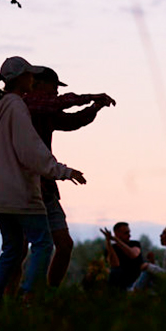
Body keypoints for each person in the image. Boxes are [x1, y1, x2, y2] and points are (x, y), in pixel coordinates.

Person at [0, 56, 86, 301]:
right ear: (20, 79)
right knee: (43, 244)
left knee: (12, 250)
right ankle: (31, 296)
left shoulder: (0, 109)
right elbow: (31, 151)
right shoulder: (17, 107)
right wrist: (63, 171)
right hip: (22, 194)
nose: (32, 79)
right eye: (29, 75)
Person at [22, 67, 114, 287]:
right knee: (20, 247)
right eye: (54, 85)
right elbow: (58, 104)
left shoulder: (45, 110)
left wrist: (95, 107)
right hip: (26, 187)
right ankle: (14, 295)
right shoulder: (26, 105)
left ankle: (48, 293)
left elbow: (72, 122)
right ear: (39, 84)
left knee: (63, 245)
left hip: (46, 187)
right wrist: (91, 97)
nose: (56, 91)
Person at [102, 222, 143, 291]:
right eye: (126, 233)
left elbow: (133, 254)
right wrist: (108, 241)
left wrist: (116, 240)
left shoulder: (134, 244)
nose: (129, 235)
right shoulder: (112, 248)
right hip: (121, 283)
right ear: (117, 234)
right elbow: (114, 264)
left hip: (136, 281)